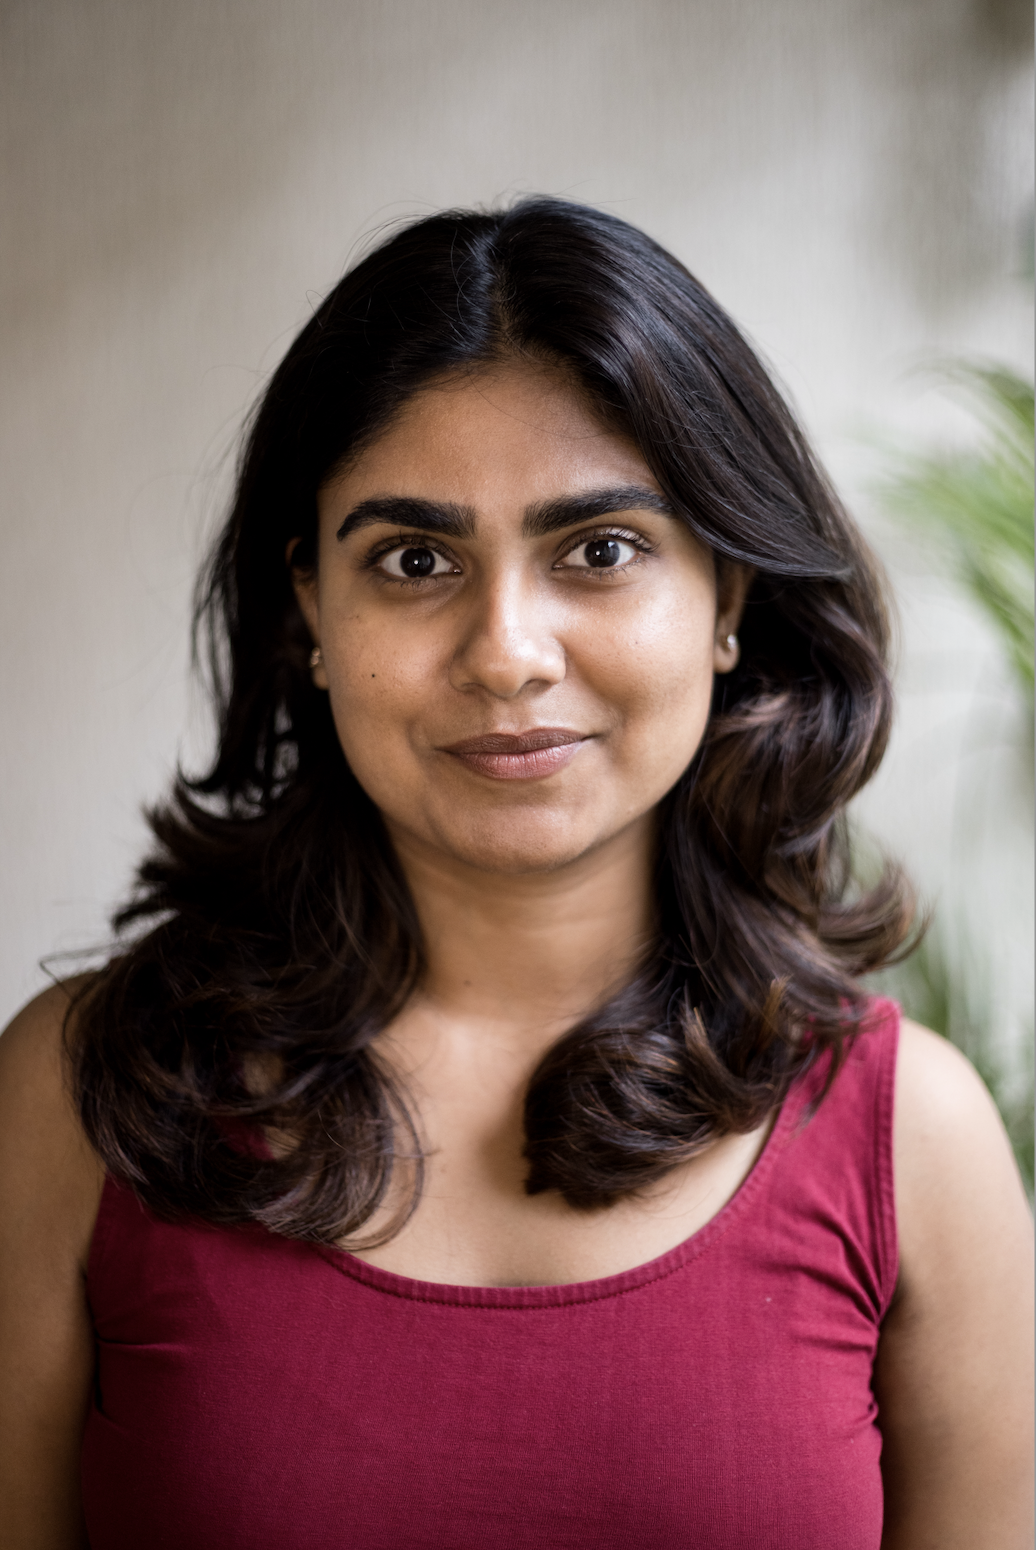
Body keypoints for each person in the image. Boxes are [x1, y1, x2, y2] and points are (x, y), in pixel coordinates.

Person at [0, 198, 1031, 1550]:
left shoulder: (914, 1142)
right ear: (308, 606)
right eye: (415, 559)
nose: (506, 651)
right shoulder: (79, 1098)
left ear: (728, 595)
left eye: (599, 550)